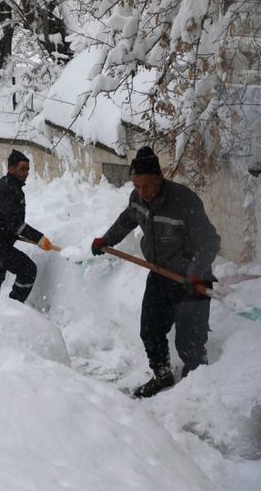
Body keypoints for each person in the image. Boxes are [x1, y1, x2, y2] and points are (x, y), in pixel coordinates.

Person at [91, 146, 221, 398]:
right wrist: (106, 240)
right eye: (136, 186)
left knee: (189, 341)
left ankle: (194, 390)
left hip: (191, 278)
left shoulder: (184, 201)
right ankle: (162, 374)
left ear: (159, 178)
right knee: (150, 329)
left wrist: (195, 271)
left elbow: (210, 241)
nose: (142, 192)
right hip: (160, 273)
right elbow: (126, 220)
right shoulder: (137, 199)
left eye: (146, 186)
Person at [0, 149, 55, 303]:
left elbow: (7, 221)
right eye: (22, 169)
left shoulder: (5, 184)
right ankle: (14, 307)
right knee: (27, 270)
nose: (26, 173)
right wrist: (39, 238)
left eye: (27, 169)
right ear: (11, 169)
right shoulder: (9, 189)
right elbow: (15, 225)